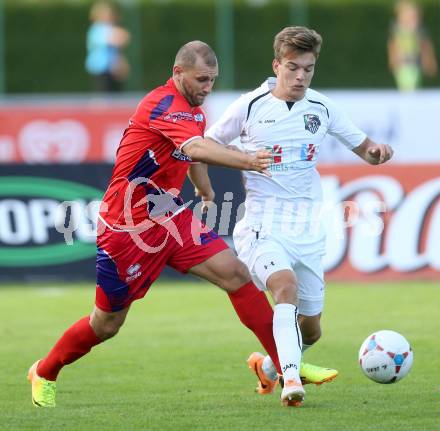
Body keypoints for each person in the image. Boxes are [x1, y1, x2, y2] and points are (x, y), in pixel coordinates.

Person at [28, 41, 286, 408]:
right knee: (107, 324)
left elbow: (191, 149)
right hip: (126, 228)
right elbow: (196, 148)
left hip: (170, 215)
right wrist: (247, 160)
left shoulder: (193, 110)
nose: (207, 87)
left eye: (212, 80)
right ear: (178, 73)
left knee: (236, 275)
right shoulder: (163, 104)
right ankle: (45, 370)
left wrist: (204, 189)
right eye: (201, 79)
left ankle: (286, 366)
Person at [205, 26, 394, 406]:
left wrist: (376, 152)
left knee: (311, 331)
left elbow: (363, 145)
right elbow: (205, 144)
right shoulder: (250, 105)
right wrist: (231, 169)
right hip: (261, 226)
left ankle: (269, 369)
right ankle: (292, 381)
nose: (300, 76)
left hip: (307, 230)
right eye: (292, 68)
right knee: (284, 288)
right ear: (277, 65)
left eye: (308, 69)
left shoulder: (320, 107)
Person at [388, 0, 437, 91]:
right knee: (406, 84)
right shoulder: (398, 31)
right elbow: (393, 46)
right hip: (402, 63)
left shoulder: (419, 32)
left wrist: (428, 61)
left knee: (414, 82)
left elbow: (425, 47)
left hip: (415, 63)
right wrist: (393, 59)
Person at [85, 1, 131, 92]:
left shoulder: (109, 28)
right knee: (103, 95)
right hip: (100, 69)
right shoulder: (97, 29)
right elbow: (118, 38)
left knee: (115, 97)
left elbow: (120, 44)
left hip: (113, 70)